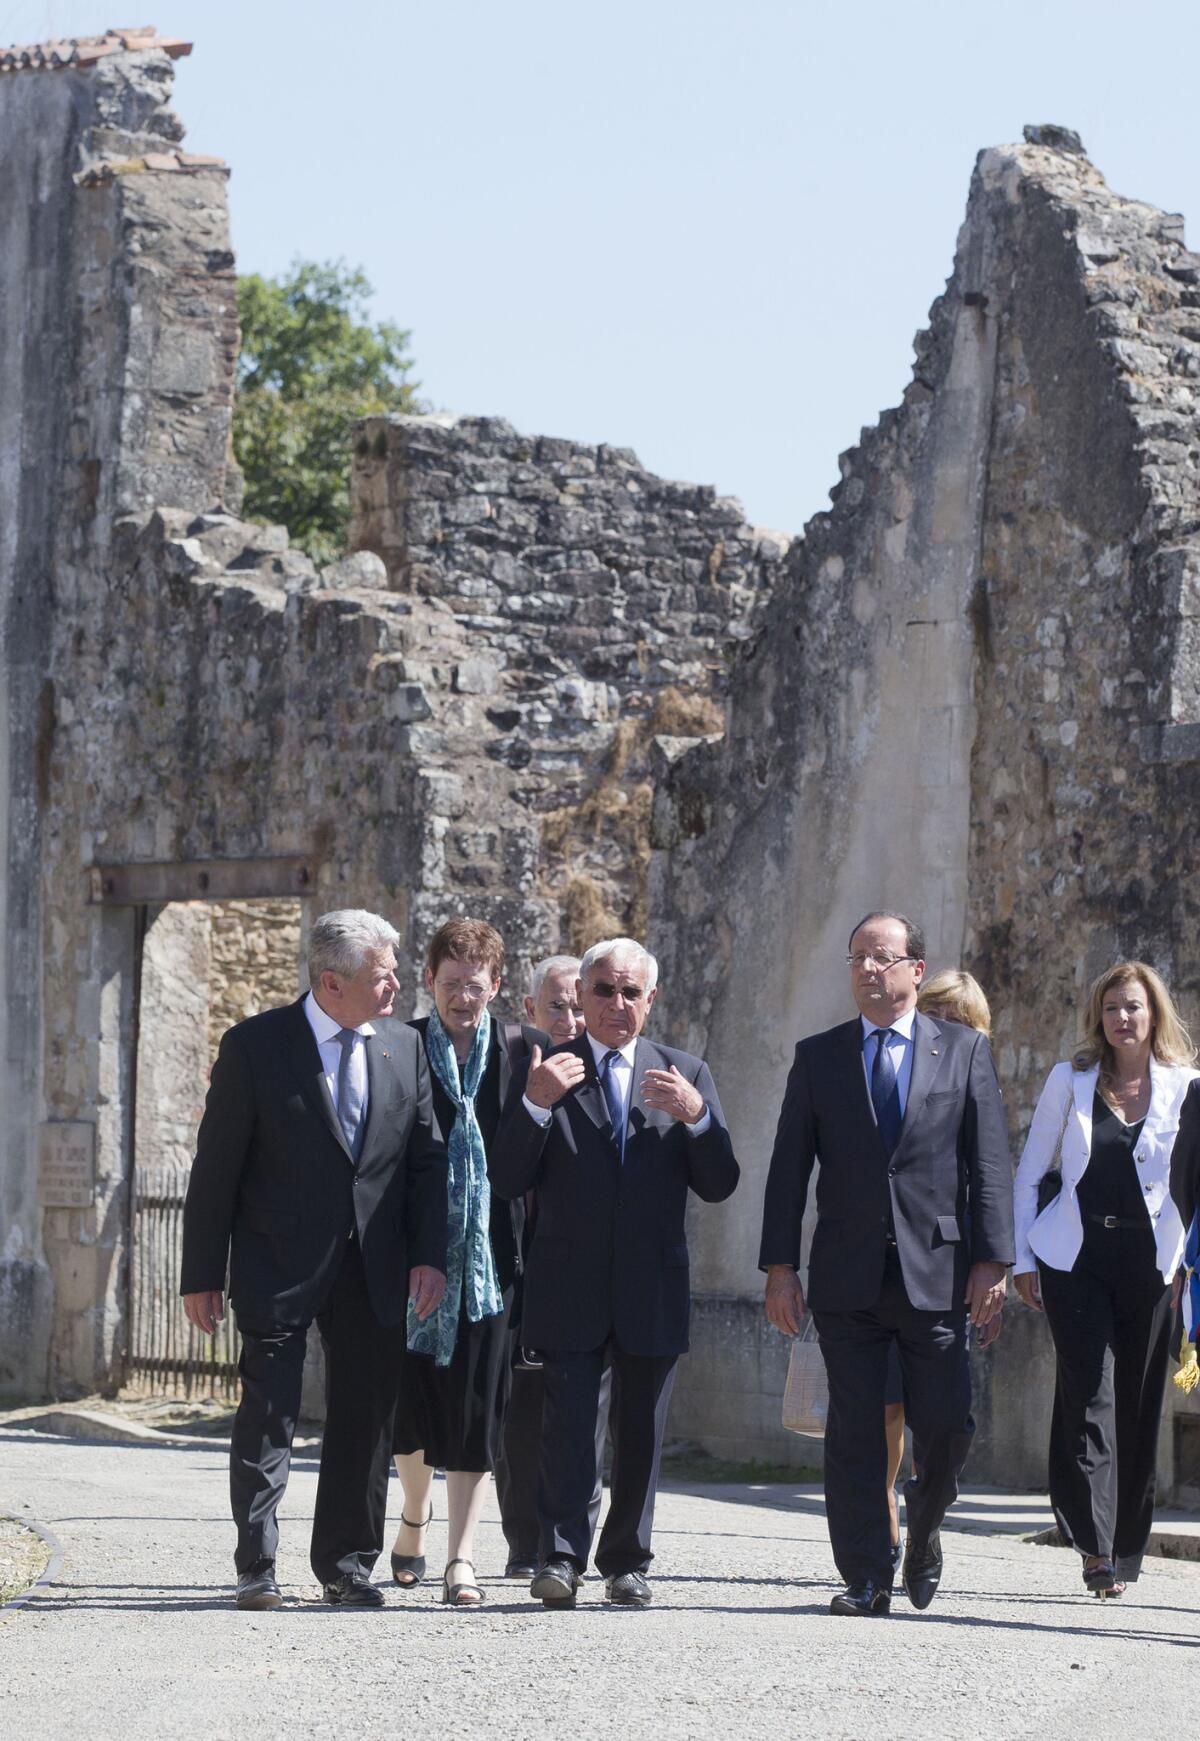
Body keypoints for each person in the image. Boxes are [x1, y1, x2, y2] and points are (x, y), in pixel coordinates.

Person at [180, 909, 447, 1611]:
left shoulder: (404, 1047)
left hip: (377, 1264)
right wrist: (202, 1272)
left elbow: (426, 1161)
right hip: (278, 1260)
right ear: (333, 981)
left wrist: (431, 1256)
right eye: (382, 972)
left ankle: (346, 1564)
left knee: (365, 1413)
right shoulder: (255, 1046)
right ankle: (257, 1564)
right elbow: (216, 1170)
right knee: (270, 1410)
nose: (396, 983)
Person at [761, 911, 1013, 1617]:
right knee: (853, 1430)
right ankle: (867, 1574)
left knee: (946, 1423)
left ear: (915, 969)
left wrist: (993, 1261)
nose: (869, 968)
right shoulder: (820, 1056)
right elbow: (788, 1171)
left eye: (883, 957)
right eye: (858, 958)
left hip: (936, 1271)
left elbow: (989, 1164)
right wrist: (780, 1268)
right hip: (845, 1277)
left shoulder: (962, 1050)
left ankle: (925, 1531)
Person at [491, 936, 739, 1609]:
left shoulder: (685, 1071)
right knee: (568, 1428)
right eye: (603, 990)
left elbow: (720, 1182)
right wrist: (536, 1105)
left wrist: (697, 1118)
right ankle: (561, 1556)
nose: (616, 1003)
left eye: (632, 992)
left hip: (651, 1285)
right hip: (568, 1284)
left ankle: (626, 1560)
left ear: (650, 1001)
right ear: (584, 996)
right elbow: (508, 1175)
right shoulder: (551, 1069)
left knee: (642, 1433)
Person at [1016, 961, 1197, 1597]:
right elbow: (1030, 1172)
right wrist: (1019, 1261)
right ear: (1100, 1015)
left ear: (1154, 1016)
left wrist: (1189, 1274)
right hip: (1076, 1259)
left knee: (1141, 1407)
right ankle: (1095, 1550)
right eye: (1113, 1007)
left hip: (1152, 1267)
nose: (1123, 1017)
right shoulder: (1070, 1081)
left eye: (1135, 1007)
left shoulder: (1187, 1087)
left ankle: (1126, 1549)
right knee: (1090, 1393)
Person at [389, 918, 542, 1607]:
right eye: (450, 984)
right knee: (414, 1409)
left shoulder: (521, 1052)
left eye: (474, 987)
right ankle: (414, 1516)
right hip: (413, 1261)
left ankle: (461, 1558)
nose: (461, 998)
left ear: (496, 986)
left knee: (479, 1412)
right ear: (429, 981)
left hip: (490, 1266)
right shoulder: (400, 1049)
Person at [493, 955, 613, 1580]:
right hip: (517, 1263)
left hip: (582, 1274)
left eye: (577, 1004)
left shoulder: (608, 1074)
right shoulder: (512, 1071)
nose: (569, 1019)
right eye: (557, 1007)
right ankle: (524, 1540)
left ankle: (565, 1545)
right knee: (521, 1405)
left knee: (582, 1412)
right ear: (530, 1012)